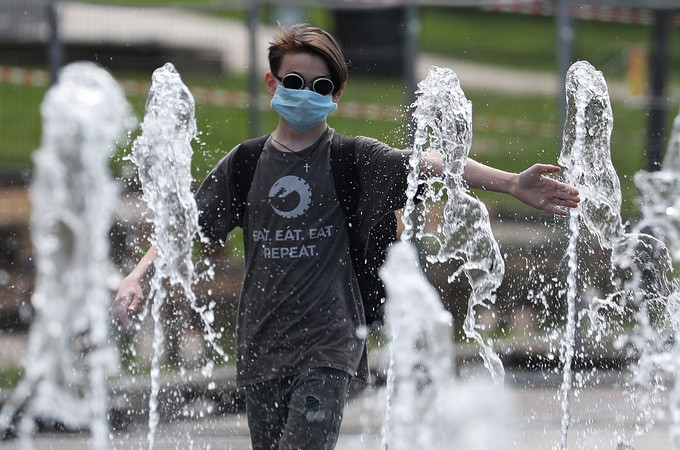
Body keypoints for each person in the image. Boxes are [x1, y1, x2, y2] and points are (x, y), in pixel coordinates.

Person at [112, 23, 580, 450]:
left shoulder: (353, 159)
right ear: (273, 84)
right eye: (293, 82)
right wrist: (138, 277)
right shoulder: (246, 163)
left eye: (319, 87)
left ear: (336, 95)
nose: (305, 94)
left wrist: (512, 183)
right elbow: (185, 224)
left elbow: (432, 162)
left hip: (328, 349)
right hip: (260, 348)